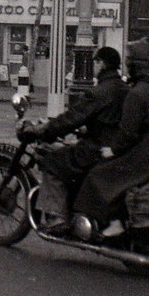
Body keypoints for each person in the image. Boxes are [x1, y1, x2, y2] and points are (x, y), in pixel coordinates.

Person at [71, 38, 149, 238]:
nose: (126, 65)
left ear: (136, 65)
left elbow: (128, 132)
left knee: (100, 174)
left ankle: (115, 221)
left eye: (129, 61)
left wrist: (113, 150)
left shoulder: (137, 94)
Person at [17, 47, 128, 235]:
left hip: (96, 148)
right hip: (115, 147)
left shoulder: (99, 92)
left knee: (53, 162)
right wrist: (87, 128)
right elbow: (109, 119)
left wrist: (45, 130)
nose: (93, 66)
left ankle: (57, 217)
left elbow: (71, 118)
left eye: (95, 62)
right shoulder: (123, 89)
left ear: (101, 64)